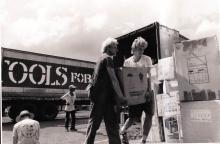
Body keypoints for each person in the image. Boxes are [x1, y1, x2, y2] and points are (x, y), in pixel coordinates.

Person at [84, 38, 126, 144]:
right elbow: (113, 79)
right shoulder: (108, 59)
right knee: (111, 125)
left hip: (100, 97)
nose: (116, 50)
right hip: (103, 98)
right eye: (115, 47)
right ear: (108, 48)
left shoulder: (100, 59)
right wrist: (121, 97)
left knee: (94, 124)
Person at [120, 37, 154, 144]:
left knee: (149, 114)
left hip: (147, 91)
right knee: (132, 117)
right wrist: (126, 96)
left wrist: (149, 91)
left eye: (143, 49)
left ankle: (143, 140)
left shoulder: (147, 59)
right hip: (134, 94)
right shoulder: (127, 62)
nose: (141, 51)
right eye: (139, 48)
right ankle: (122, 132)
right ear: (133, 49)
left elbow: (149, 76)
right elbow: (126, 80)